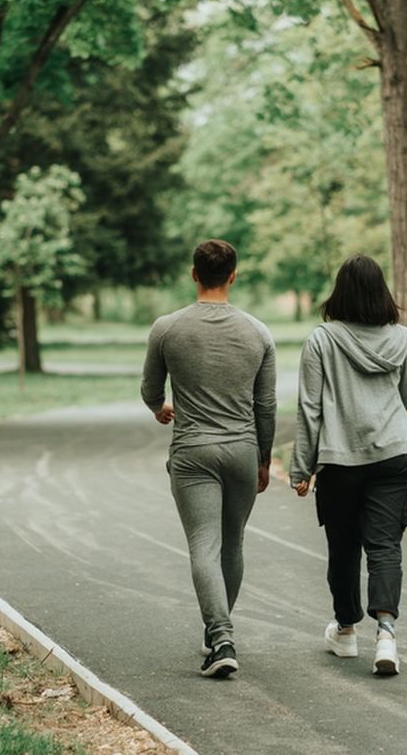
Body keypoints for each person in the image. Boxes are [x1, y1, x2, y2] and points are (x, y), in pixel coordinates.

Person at [140, 239, 277, 678]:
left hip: (193, 451)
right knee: (231, 543)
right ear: (233, 275)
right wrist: (263, 459)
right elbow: (266, 405)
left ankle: (220, 636)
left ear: (194, 274)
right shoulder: (258, 332)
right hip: (242, 448)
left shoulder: (167, 328)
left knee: (204, 543)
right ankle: (219, 633)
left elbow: (150, 390)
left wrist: (161, 408)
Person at [289, 254, 407, 676]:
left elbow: (310, 408)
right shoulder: (401, 337)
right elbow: (406, 393)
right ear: (382, 292)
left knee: (343, 547)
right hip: (394, 452)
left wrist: (301, 467)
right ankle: (386, 635)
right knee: (385, 545)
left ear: (339, 292)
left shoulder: (322, 340)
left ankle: (345, 631)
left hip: (340, 459)